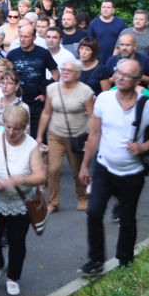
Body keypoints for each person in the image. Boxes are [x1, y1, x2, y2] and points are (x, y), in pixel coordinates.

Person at [78, 59, 149, 276]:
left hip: (132, 174)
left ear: (137, 80)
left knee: (127, 219)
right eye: (119, 72)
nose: (120, 77)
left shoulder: (146, 105)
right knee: (93, 212)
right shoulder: (104, 99)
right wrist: (85, 165)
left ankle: (125, 262)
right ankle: (96, 260)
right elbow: (95, 133)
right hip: (104, 168)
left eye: (127, 75)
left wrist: (144, 146)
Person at [0, 104, 47, 296]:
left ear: (25, 127)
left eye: (16, 129)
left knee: (16, 240)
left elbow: (41, 176)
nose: (11, 132)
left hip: (21, 202)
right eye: (8, 127)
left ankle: (12, 277)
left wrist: (18, 180)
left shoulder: (31, 146)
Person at [36, 60, 94, 212]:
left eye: (70, 70)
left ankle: (82, 197)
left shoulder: (86, 91)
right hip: (55, 134)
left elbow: (91, 116)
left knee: (76, 170)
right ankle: (53, 202)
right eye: (64, 69)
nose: (65, 72)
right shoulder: (52, 88)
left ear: (78, 74)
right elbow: (46, 112)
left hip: (76, 136)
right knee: (53, 170)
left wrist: (90, 138)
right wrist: (40, 135)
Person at [6, 24, 59, 139]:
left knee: (37, 138)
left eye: (27, 37)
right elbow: (6, 76)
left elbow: (56, 73)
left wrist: (46, 92)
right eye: (21, 36)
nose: (23, 39)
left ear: (34, 38)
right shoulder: (12, 54)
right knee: (16, 135)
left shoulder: (43, 53)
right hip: (17, 101)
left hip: (37, 102)